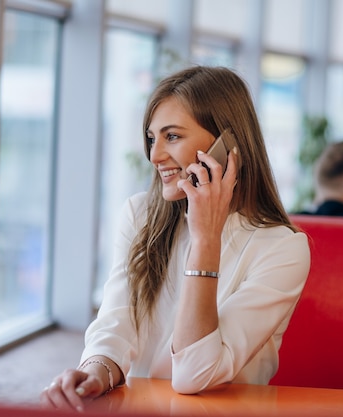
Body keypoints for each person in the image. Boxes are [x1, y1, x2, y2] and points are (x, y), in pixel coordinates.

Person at [39, 66, 311, 412]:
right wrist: (96, 370)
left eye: (172, 137)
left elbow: (194, 374)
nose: (154, 156)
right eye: (152, 138)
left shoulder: (282, 248)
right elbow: (117, 323)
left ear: (227, 145)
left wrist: (205, 240)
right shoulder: (140, 215)